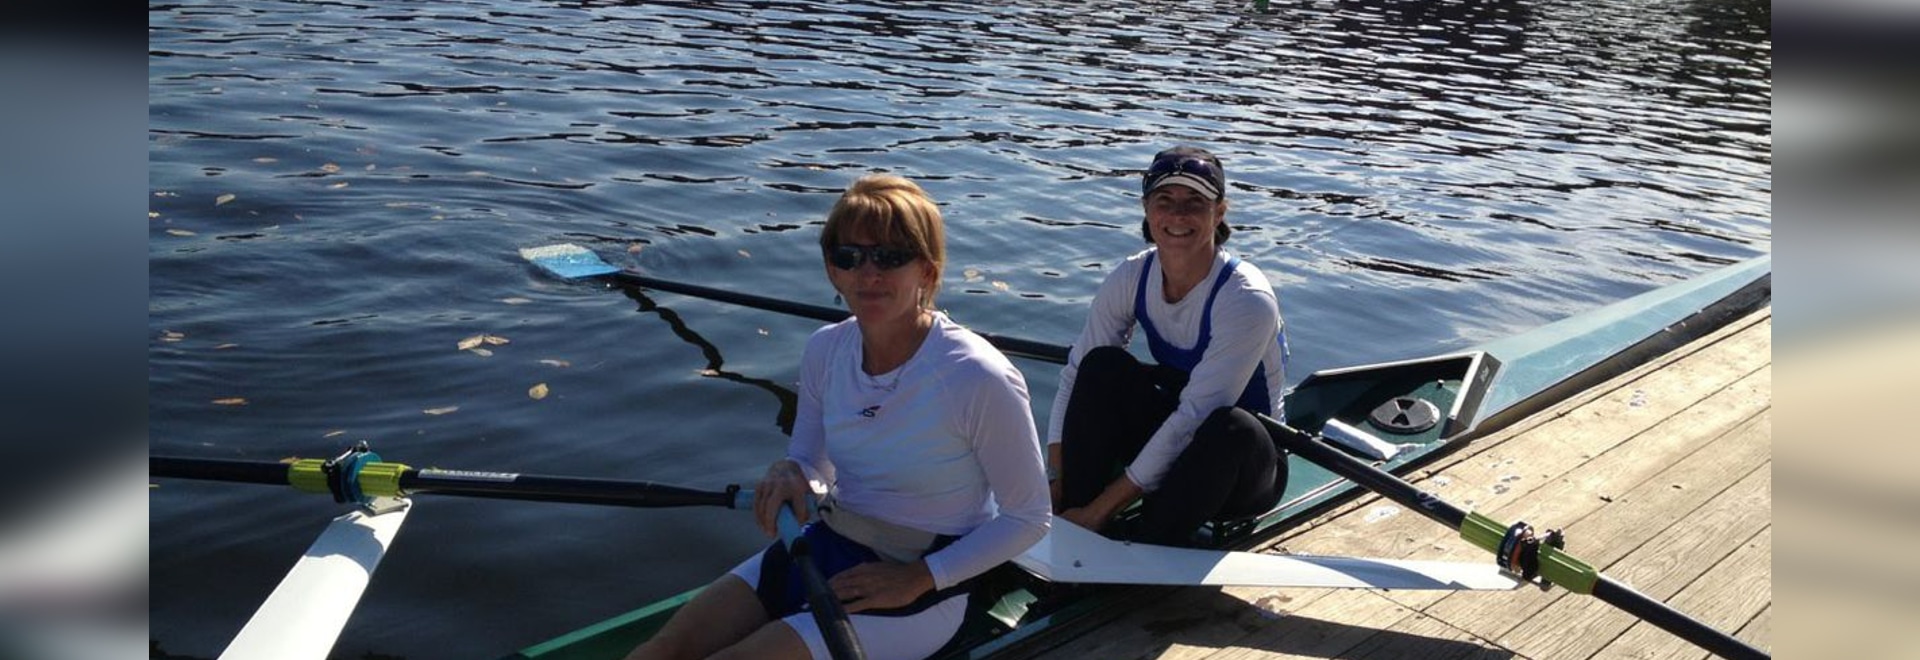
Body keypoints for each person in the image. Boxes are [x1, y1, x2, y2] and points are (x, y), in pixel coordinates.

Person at [627, 174, 1051, 660]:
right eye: (849, 257)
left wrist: (917, 579)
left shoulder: (977, 376)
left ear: (928, 272)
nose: (868, 273)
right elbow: (812, 463)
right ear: (833, 270)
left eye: (891, 257)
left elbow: (1029, 518)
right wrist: (791, 473)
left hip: (924, 576)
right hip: (827, 543)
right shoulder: (826, 349)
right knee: (664, 649)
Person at [1047, 145, 1290, 548]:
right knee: (1101, 366)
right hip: (1182, 434)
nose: (1178, 215)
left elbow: (1196, 415)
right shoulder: (1130, 276)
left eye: (1195, 201)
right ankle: (1069, 513)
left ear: (1220, 212)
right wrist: (1054, 482)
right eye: (1165, 200)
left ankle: (1134, 537)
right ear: (1147, 209)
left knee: (1230, 426)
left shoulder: (1246, 298)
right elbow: (1074, 376)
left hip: (1242, 469)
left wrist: (1101, 510)